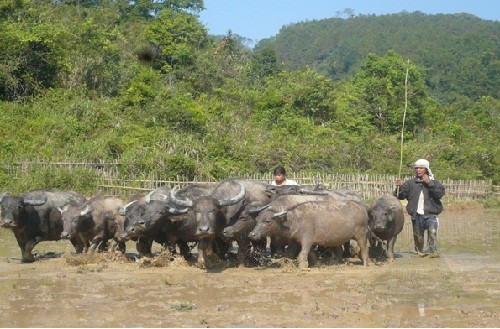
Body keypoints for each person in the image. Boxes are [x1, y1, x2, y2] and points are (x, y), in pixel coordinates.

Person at [394, 159, 445, 258]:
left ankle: (433, 252)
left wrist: (429, 183)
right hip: (416, 215)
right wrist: (400, 187)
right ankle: (420, 253)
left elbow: (440, 194)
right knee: (418, 238)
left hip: (431, 214)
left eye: (421, 168)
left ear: (426, 169)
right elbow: (400, 196)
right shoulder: (410, 183)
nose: (418, 170)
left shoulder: (434, 182)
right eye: (417, 168)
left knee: (432, 232)